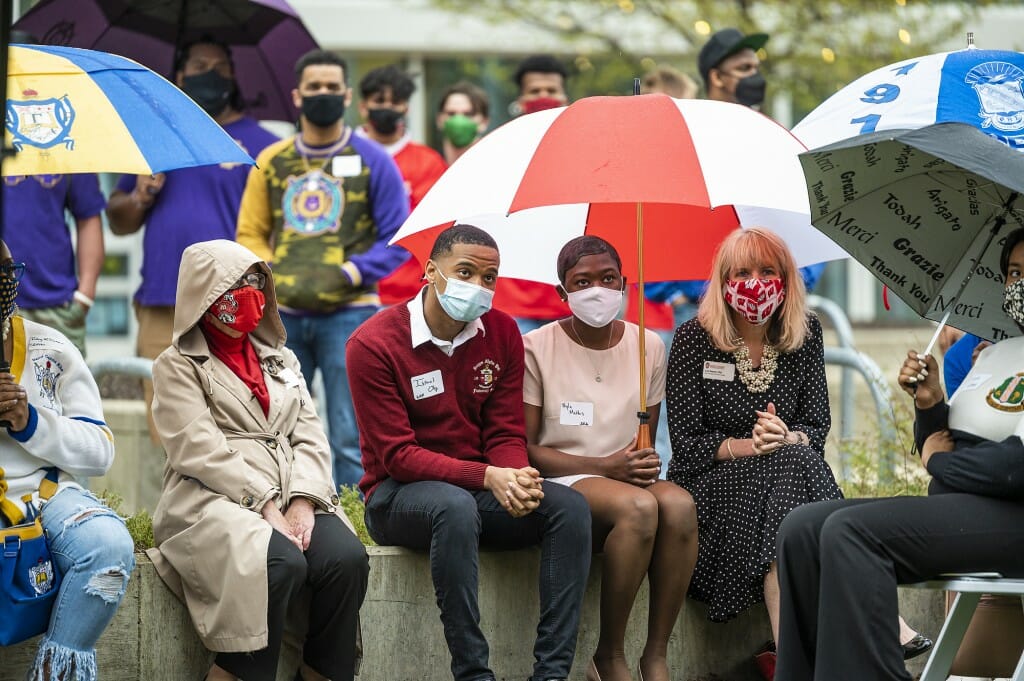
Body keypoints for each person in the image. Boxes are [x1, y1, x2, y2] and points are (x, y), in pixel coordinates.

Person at [773, 227, 1024, 681]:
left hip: (1014, 515)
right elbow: (959, 438)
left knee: (851, 533)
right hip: (965, 508)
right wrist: (929, 405)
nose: (1018, 284)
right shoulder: (996, 352)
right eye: (1013, 273)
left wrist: (937, 461)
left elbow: (1013, 468)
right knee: (803, 528)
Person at [348, 224, 592, 681]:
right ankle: (473, 672)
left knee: (569, 508)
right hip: (398, 496)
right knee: (453, 506)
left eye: (489, 277)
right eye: (465, 272)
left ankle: (552, 673)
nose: (478, 287)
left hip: (479, 491)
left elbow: (503, 430)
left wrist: (516, 474)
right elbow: (399, 456)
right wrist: (487, 478)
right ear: (430, 271)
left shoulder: (500, 332)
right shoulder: (373, 343)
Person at [147, 239, 369, 681]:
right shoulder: (176, 365)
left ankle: (321, 670)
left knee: (345, 558)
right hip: (212, 497)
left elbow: (310, 432)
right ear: (204, 294)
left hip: (293, 489)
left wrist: (303, 501)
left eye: (255, 281)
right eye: (235, 284)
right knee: (278, 562)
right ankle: (237, 671)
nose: (249, 293)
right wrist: (265, 503)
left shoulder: (281, 358)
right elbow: (197, 447)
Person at [665, 227, 841, 677]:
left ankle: (789, 659)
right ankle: (877, 623)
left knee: (793, 459)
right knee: (792, 464)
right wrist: (750, 445)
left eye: (767, 271)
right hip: (712, 496)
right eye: (742, 272)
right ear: (723, 282)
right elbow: (684, 448)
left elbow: (816, 427)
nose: (755, 283)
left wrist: (786, 437)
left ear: (786, 280)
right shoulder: (693, 339)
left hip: (780, 489)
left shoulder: (806, 335)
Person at [523, 236, 697, 681]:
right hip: (565, 477)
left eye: (607, 279)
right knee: (639, 508)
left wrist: (640, 463)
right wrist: (604, 467)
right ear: (562, 292)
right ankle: (609, 655)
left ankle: (655, 653)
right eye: (581, 282)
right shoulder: (536, 347)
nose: (597, 290)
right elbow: (528, 451)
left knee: (678, 505)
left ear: (625, 284)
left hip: (622, 476)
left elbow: (645, 440)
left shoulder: (649, 346)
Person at [236, 49, 410, 490]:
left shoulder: (374, 160)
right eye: (315, 87)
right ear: (298, 95)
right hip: (283, 316)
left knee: (351, 431)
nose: (324, 94)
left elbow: (399, 236)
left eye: (333, 87)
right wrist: (273, 274)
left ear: (348, 95)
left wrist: (351, 272)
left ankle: (359, 513)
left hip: (352, 314)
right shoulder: (271, 161)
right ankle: (291, 507)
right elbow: (249, 232)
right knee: (280, 422)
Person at [106, 36, 280, 427]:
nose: (211, 75)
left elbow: (278, 226)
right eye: (200, 66)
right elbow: (118, 221)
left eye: (220, 67)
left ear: (234, 75)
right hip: (162, 298)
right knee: (165, 415)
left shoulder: (265, 146)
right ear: (180, 75)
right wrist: (139, 196)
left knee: (236, 415)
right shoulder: (157, 137)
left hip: (236, 302)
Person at [0, 239, 135, 681]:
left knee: (108, 548)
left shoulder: (49, 349)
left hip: (46, 497)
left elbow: (99, 450)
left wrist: (29, 421)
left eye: (4, 270)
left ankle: (58, 672)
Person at [356, 64, 448, 307]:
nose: (387, 107)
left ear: (406, 108)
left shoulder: (429, 163)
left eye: (395, 101)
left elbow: (434, 231)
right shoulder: (343, 156)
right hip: (352, 292)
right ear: (363, 107)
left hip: (411, 295)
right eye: (379, 100)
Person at [495, 55, 572, 334]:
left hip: (570, 300)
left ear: (565, 97)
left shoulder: (584, 152)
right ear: (521, 98)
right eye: (535, 91)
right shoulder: (499, 151)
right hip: (513, 303)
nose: (544, 97)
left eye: (551, 91)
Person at [435, 80, 490, 166]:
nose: (459, 120)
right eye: (451, 114)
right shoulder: (427, 165)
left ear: (484, 122)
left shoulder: (494, 164)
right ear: (439, 120)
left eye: (468, 114)